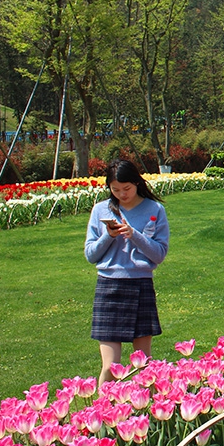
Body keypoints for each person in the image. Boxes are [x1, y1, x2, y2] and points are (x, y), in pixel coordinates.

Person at [85, 158, 170, 386]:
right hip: (109, 286)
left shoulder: (155, 210)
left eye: (127, 188)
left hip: (140, 284)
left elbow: (159, 254)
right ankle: (103, 414)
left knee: (144, 365)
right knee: (110, 368)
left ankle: (146, 415)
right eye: (115, 190)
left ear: (137, 183)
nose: (122, 194)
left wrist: (135, 235)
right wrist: (108, 236)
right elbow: (91, 255)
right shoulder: (101, 210)